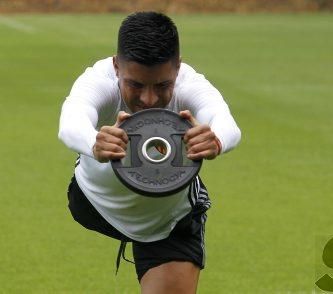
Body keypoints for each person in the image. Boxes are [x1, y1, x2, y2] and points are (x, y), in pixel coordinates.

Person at [58, 11, 241, 293]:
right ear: (117, 66)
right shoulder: (99, 80)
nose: (149, 99)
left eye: (162, 85)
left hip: (168, 223)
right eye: (136, 85)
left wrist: (215, 140)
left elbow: (226, 122)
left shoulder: (190, 84)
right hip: (93, 203)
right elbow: (71, 122)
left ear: (177, 68)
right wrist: (94, 142)